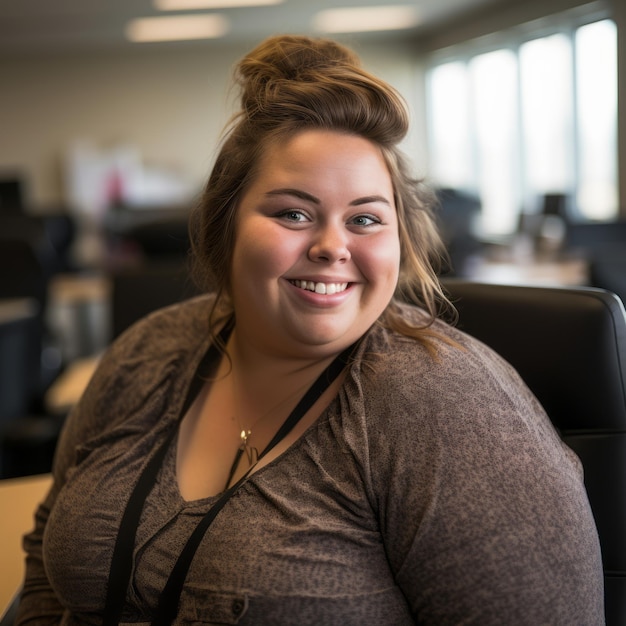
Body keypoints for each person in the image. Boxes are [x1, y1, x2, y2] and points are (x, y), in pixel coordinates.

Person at [15, 35, 604, 625]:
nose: (331, 246)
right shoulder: (148, 351)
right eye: (293, 213)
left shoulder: (455, 410)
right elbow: (45, 560)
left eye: (365, 219)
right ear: (228, 224)